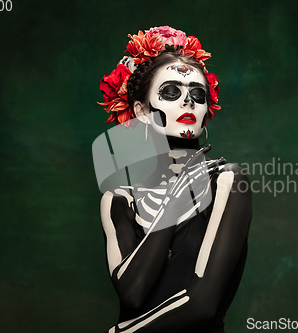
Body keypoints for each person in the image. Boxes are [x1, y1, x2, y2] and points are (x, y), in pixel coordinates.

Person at [96, 26, 252, 333]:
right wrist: (170, 205)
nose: (188, 102)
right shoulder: (118, 200)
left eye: (198, 94)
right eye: (171, 92)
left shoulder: (227, 182)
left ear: (207, 111)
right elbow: (132, 291)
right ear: (141, 110)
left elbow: (202, 304)